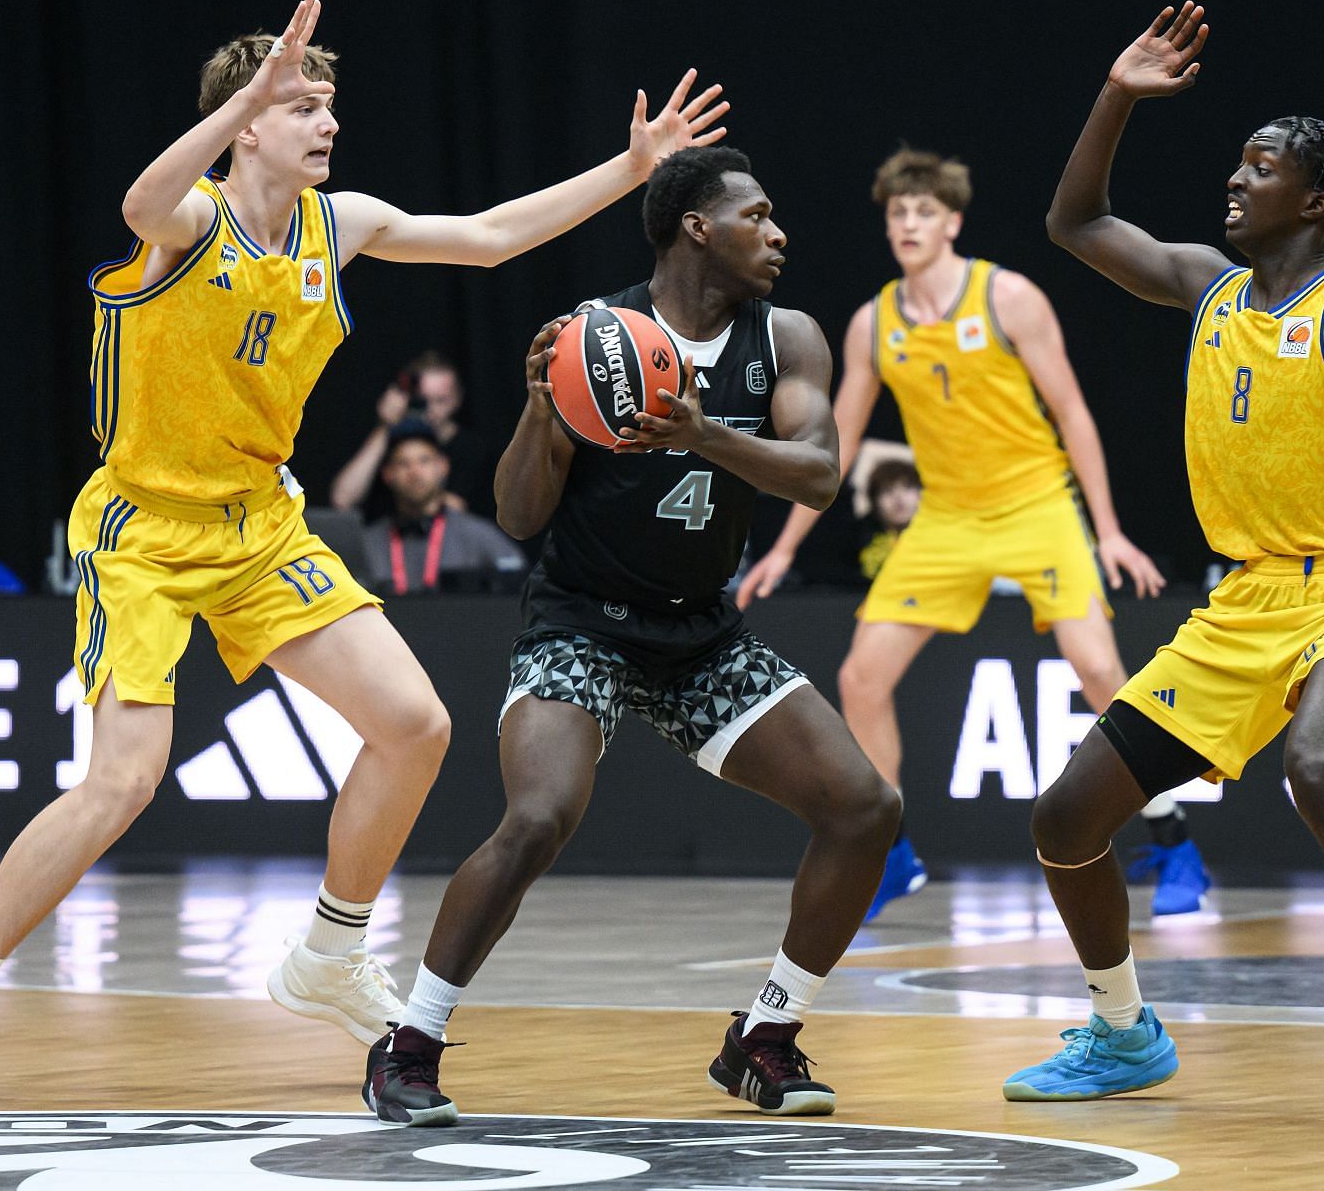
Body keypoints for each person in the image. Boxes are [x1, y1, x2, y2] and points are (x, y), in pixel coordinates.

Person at [0, 0, 729, 1103]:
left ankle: (330, 952)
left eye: (329, 105)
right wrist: (246, 89)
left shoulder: (338, 227)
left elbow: (486, 239)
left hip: (258, 520)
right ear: (247, 123)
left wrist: (630, 173)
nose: (327, 123)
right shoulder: (188, 220)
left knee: (414, 722)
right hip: (142, 530)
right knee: (122, 782)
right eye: (301, 105)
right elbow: (140, 196)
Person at [1013, 2, 1324, 1133]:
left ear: (1319, 201)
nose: (1234, 181)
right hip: (1240, 602)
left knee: (1319, 770)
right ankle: (1124, 1029)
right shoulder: (1205, 286)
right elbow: (1075, 220)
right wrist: (1118, 94)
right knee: (1064, 820)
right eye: (1236, 163)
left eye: (1259, 167)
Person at [363, 147, 898, 1126]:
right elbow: (520, 516)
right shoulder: (592, 339)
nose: (780, 234)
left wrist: (703, 435)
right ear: (699, 224)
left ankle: (764, 1038)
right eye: (759, 215)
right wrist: (537, 408)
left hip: (701, 636)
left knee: (867, 806)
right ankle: (410, 1040)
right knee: (539, 815)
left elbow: (818, 474)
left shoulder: (788, 337)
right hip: (582, 623)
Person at [735, 147, 1197, 920]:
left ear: (951, 222)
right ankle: (893, 853)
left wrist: (1109, 530)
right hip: (946, 518)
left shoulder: (1008, 296)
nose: (909, 224)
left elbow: (1074, 413)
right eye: (897, 214)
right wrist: (782, 549)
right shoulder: (872, 321)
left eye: (923, 213)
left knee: (1101, 672)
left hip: (1036, 505)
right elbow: (832, 446)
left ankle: (1173, 839)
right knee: (860, 677)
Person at [363, 419, 525, 594]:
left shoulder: (478, 534)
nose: (414, 472)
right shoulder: (368, 543)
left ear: (443, 466)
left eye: (424, 461)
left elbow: (520, 583)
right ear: (387, 475)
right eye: (403, 463)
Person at [332, 352, 493, 518]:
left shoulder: (471, 448)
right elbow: (342, 499)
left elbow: (456, 512)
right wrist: (385, 426)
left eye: (441, 400)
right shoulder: (389, 439)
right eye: (422, 399)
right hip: (383, 538)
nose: (431, 410)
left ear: (458, 398)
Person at [857, 457, 920, 580]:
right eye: (887, 490)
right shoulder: (855, 539)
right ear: (874, 501)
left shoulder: (939, 536)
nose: (899, 499)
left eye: (907, 487)